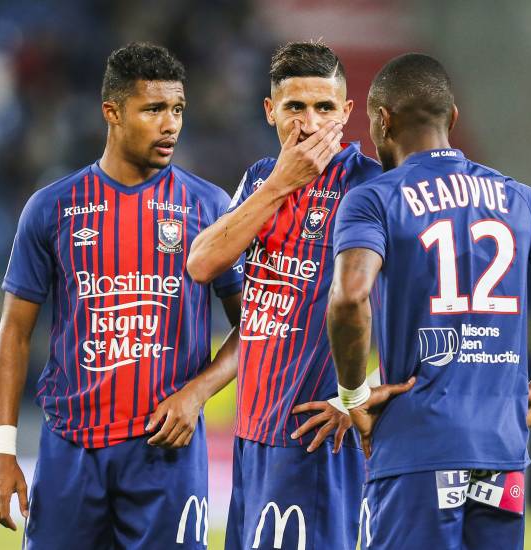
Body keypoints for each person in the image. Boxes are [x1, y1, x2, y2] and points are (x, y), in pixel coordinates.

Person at [328, 53, 531, 549]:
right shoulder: (523, 199)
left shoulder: (375, 198)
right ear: (453, 118)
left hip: (419, 443)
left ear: (381, 119)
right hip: (501, 449)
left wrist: (353, 395)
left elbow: (350, 297)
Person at [0, 42, 244, 549]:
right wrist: (2, 450)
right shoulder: (52, 207)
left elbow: (254, 323)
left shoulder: (209, 207)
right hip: (71, 449)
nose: (170, 124)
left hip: (166, 454)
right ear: (112, 112)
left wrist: (198, 393)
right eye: (153, 109)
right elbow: (14, 333)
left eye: (177, 110)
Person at [187, 41, 391, 550]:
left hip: (318, 436)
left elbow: (427, 308)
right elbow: (202, 262)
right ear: (270, 111)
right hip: (254, 431)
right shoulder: (260, 179)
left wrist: (360, 394)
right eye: (295, 107)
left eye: (324, 107)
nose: (310, 122)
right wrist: (281, 183)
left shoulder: (372, 187)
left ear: (347, 113)